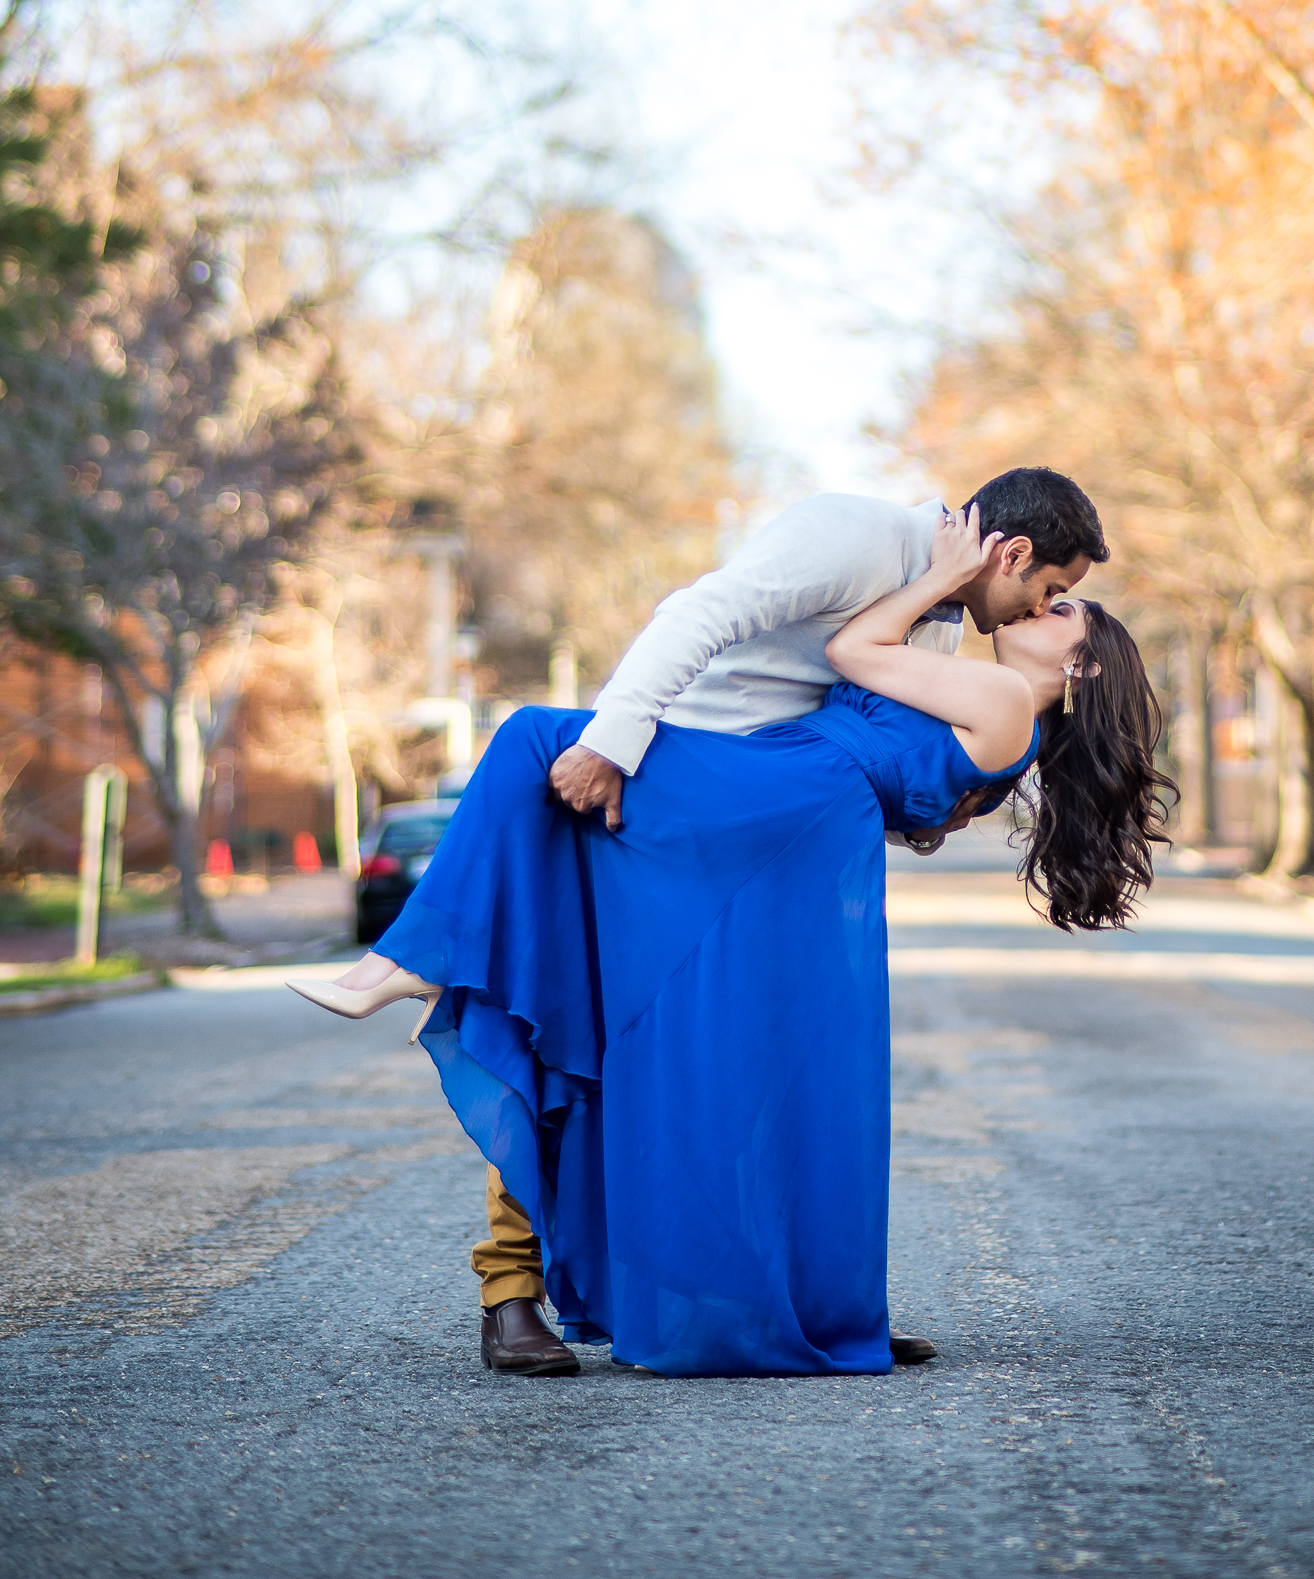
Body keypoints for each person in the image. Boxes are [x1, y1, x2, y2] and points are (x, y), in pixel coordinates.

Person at [287, 481, 1171, 1379]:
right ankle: (536, 1284)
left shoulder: (979, 667)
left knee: (692, 1046)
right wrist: (618, 741)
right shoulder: (866, 546)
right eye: (1051, 591)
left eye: (1062, 610)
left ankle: (411, 960)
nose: (1037, 608)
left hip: (752, 816)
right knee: (632, 1023)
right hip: (692, 768)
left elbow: (864, 684)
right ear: (1013, 554)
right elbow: (715, 624)